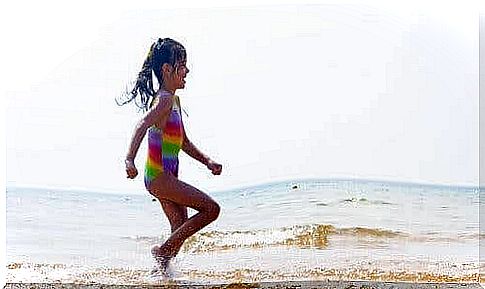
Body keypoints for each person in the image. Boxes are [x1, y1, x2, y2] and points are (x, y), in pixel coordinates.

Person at [119, 38, 222, 274]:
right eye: (182, 65)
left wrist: (207, 161)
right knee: (211, 209)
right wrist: (129, 159)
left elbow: (183, 141)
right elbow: (142, 124)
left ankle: (160, 273)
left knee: (179, 227)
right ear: (167, 69)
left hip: (164, 178)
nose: (187, 70)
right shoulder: (164, 100)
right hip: (159, 177)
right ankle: (162, 252)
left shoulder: (173, 101)